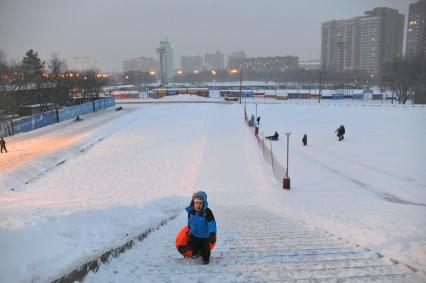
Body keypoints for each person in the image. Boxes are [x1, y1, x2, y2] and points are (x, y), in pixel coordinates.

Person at [185, 191, 217, 265]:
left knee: (205, 248)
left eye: (200, 203)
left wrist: (212, 233)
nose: (198, 205)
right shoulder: (191, 212)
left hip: (204, 236)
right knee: (191, 244)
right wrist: (189, 229)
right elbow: (190, 221)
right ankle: (196, 253)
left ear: (204, 203)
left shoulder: (207, 212)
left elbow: (212, 223)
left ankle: (205, 259)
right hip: (194, 234)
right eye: (196, 203)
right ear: (193, 203)